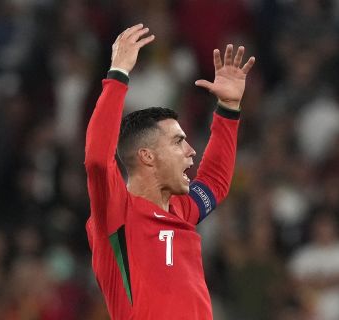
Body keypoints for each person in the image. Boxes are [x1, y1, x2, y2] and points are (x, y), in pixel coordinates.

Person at [85, 23, 255, 319]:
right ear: (147, 156)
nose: (191, 151)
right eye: (178, 142)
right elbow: (98, 160)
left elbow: (214, 181)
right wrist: (118, 75)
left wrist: (228, 108)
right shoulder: (117, 215)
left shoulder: (180, 210)